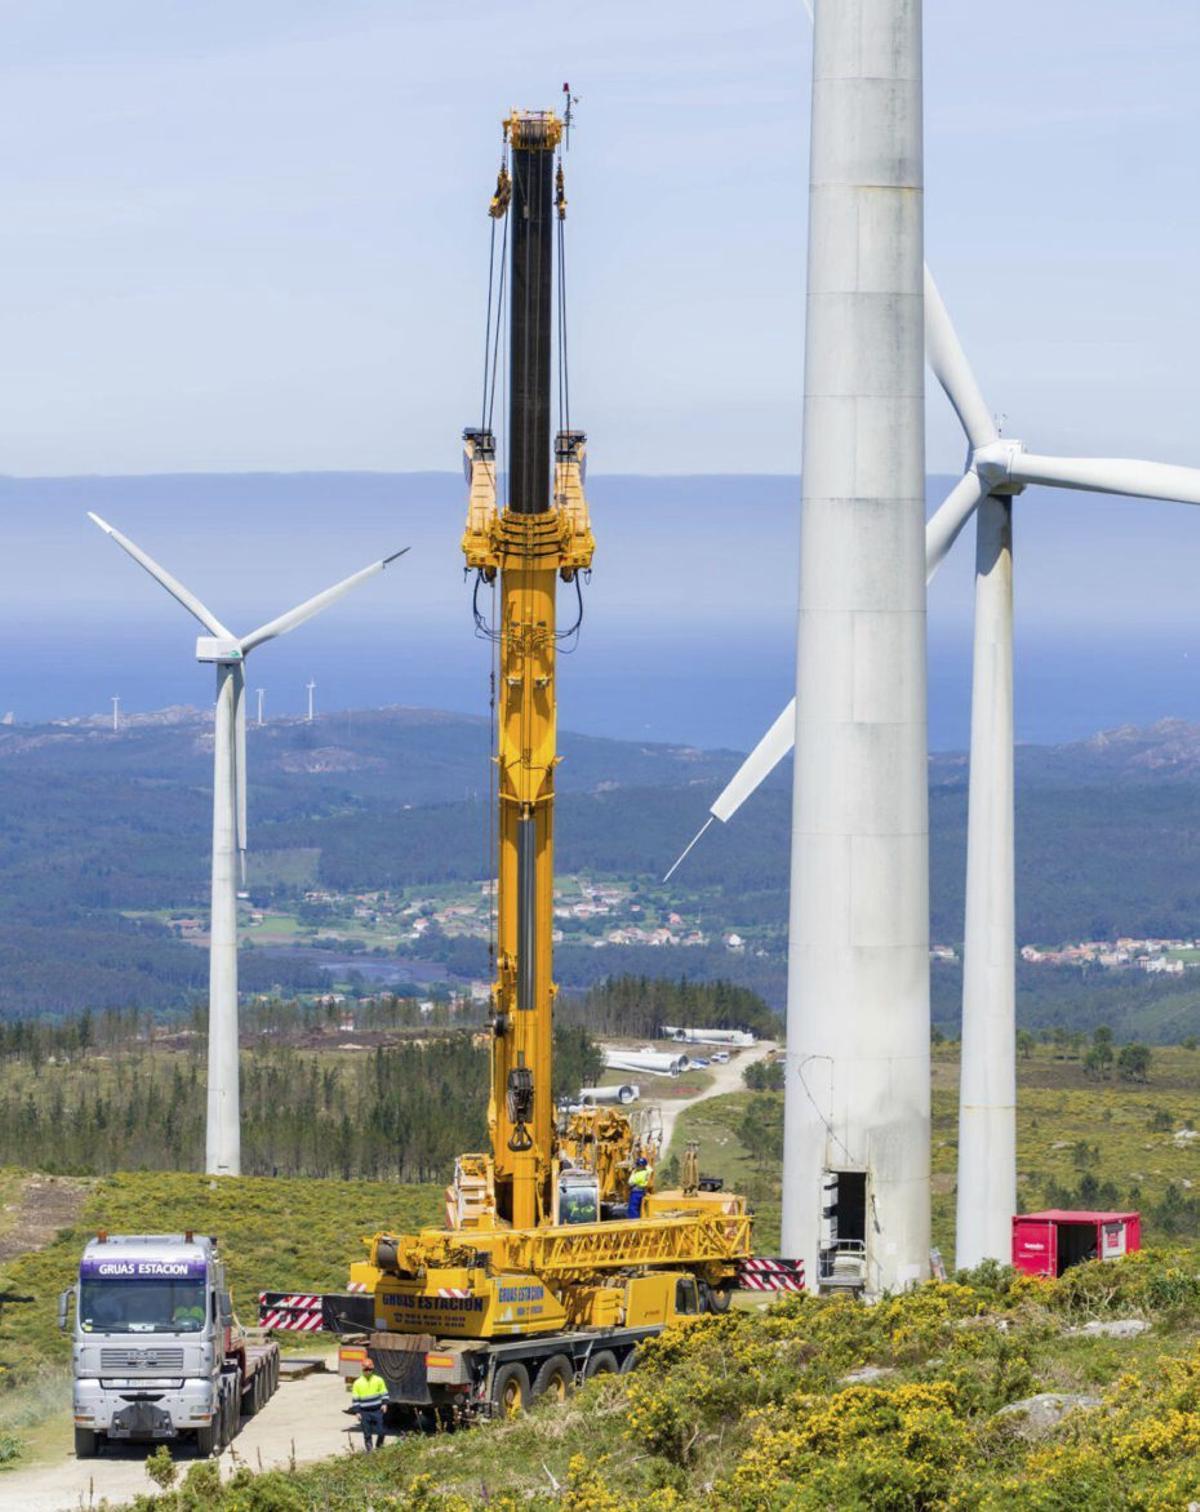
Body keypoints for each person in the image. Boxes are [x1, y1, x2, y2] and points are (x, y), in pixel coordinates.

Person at [350, 1357, 388, 1451]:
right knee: (367, 1433)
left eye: (370, 1369)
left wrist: (384, 1404)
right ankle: (369, 1451)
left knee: (381, 1431)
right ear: (362, 1369)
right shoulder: (357, 1383)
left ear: (373, 1368)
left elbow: (384, 1393)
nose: (368, 1371)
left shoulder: (378, 1380)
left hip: (377, 1410)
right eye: (366, 1369)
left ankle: (379, 1447)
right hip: (364, 1412)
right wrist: (357, 1412)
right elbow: (355, 1399)